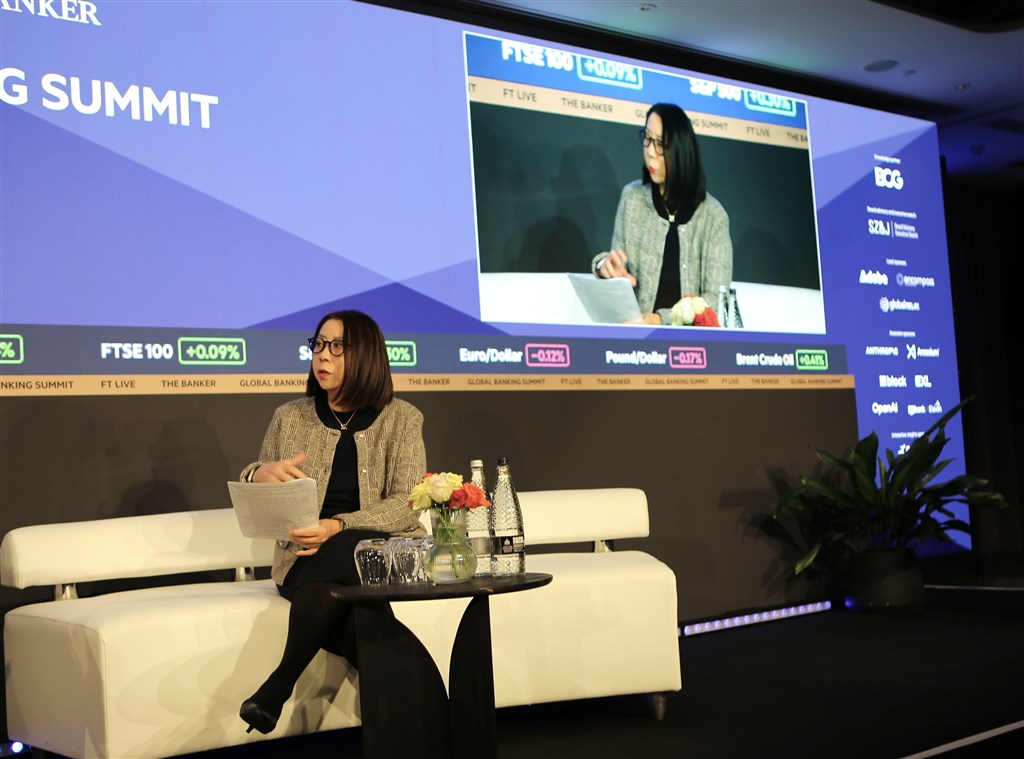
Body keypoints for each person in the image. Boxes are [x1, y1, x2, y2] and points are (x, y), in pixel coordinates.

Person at [237, 309, 426, 735]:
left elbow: (409, 503)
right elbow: (258, 499)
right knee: (363, 622)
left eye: (336, 346)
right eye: (317, 344)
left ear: (367, 356)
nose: (322, 355)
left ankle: (277, 685)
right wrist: (257, 474)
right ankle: (427, 719)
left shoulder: (403, 419)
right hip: (303, 563)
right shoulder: (289, 417)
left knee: (347, 542)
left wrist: (338, 525)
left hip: (377, 558)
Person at [592, 102, 733, 325]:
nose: (649, 151)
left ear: (681, 151)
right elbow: (616, 269)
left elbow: (714, 301)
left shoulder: (713, 216)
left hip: (691, 348)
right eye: (647, 138)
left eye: (660, 144)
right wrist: (604, 268)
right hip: (635, 337)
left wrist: (660, 319)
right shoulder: (632, 198)